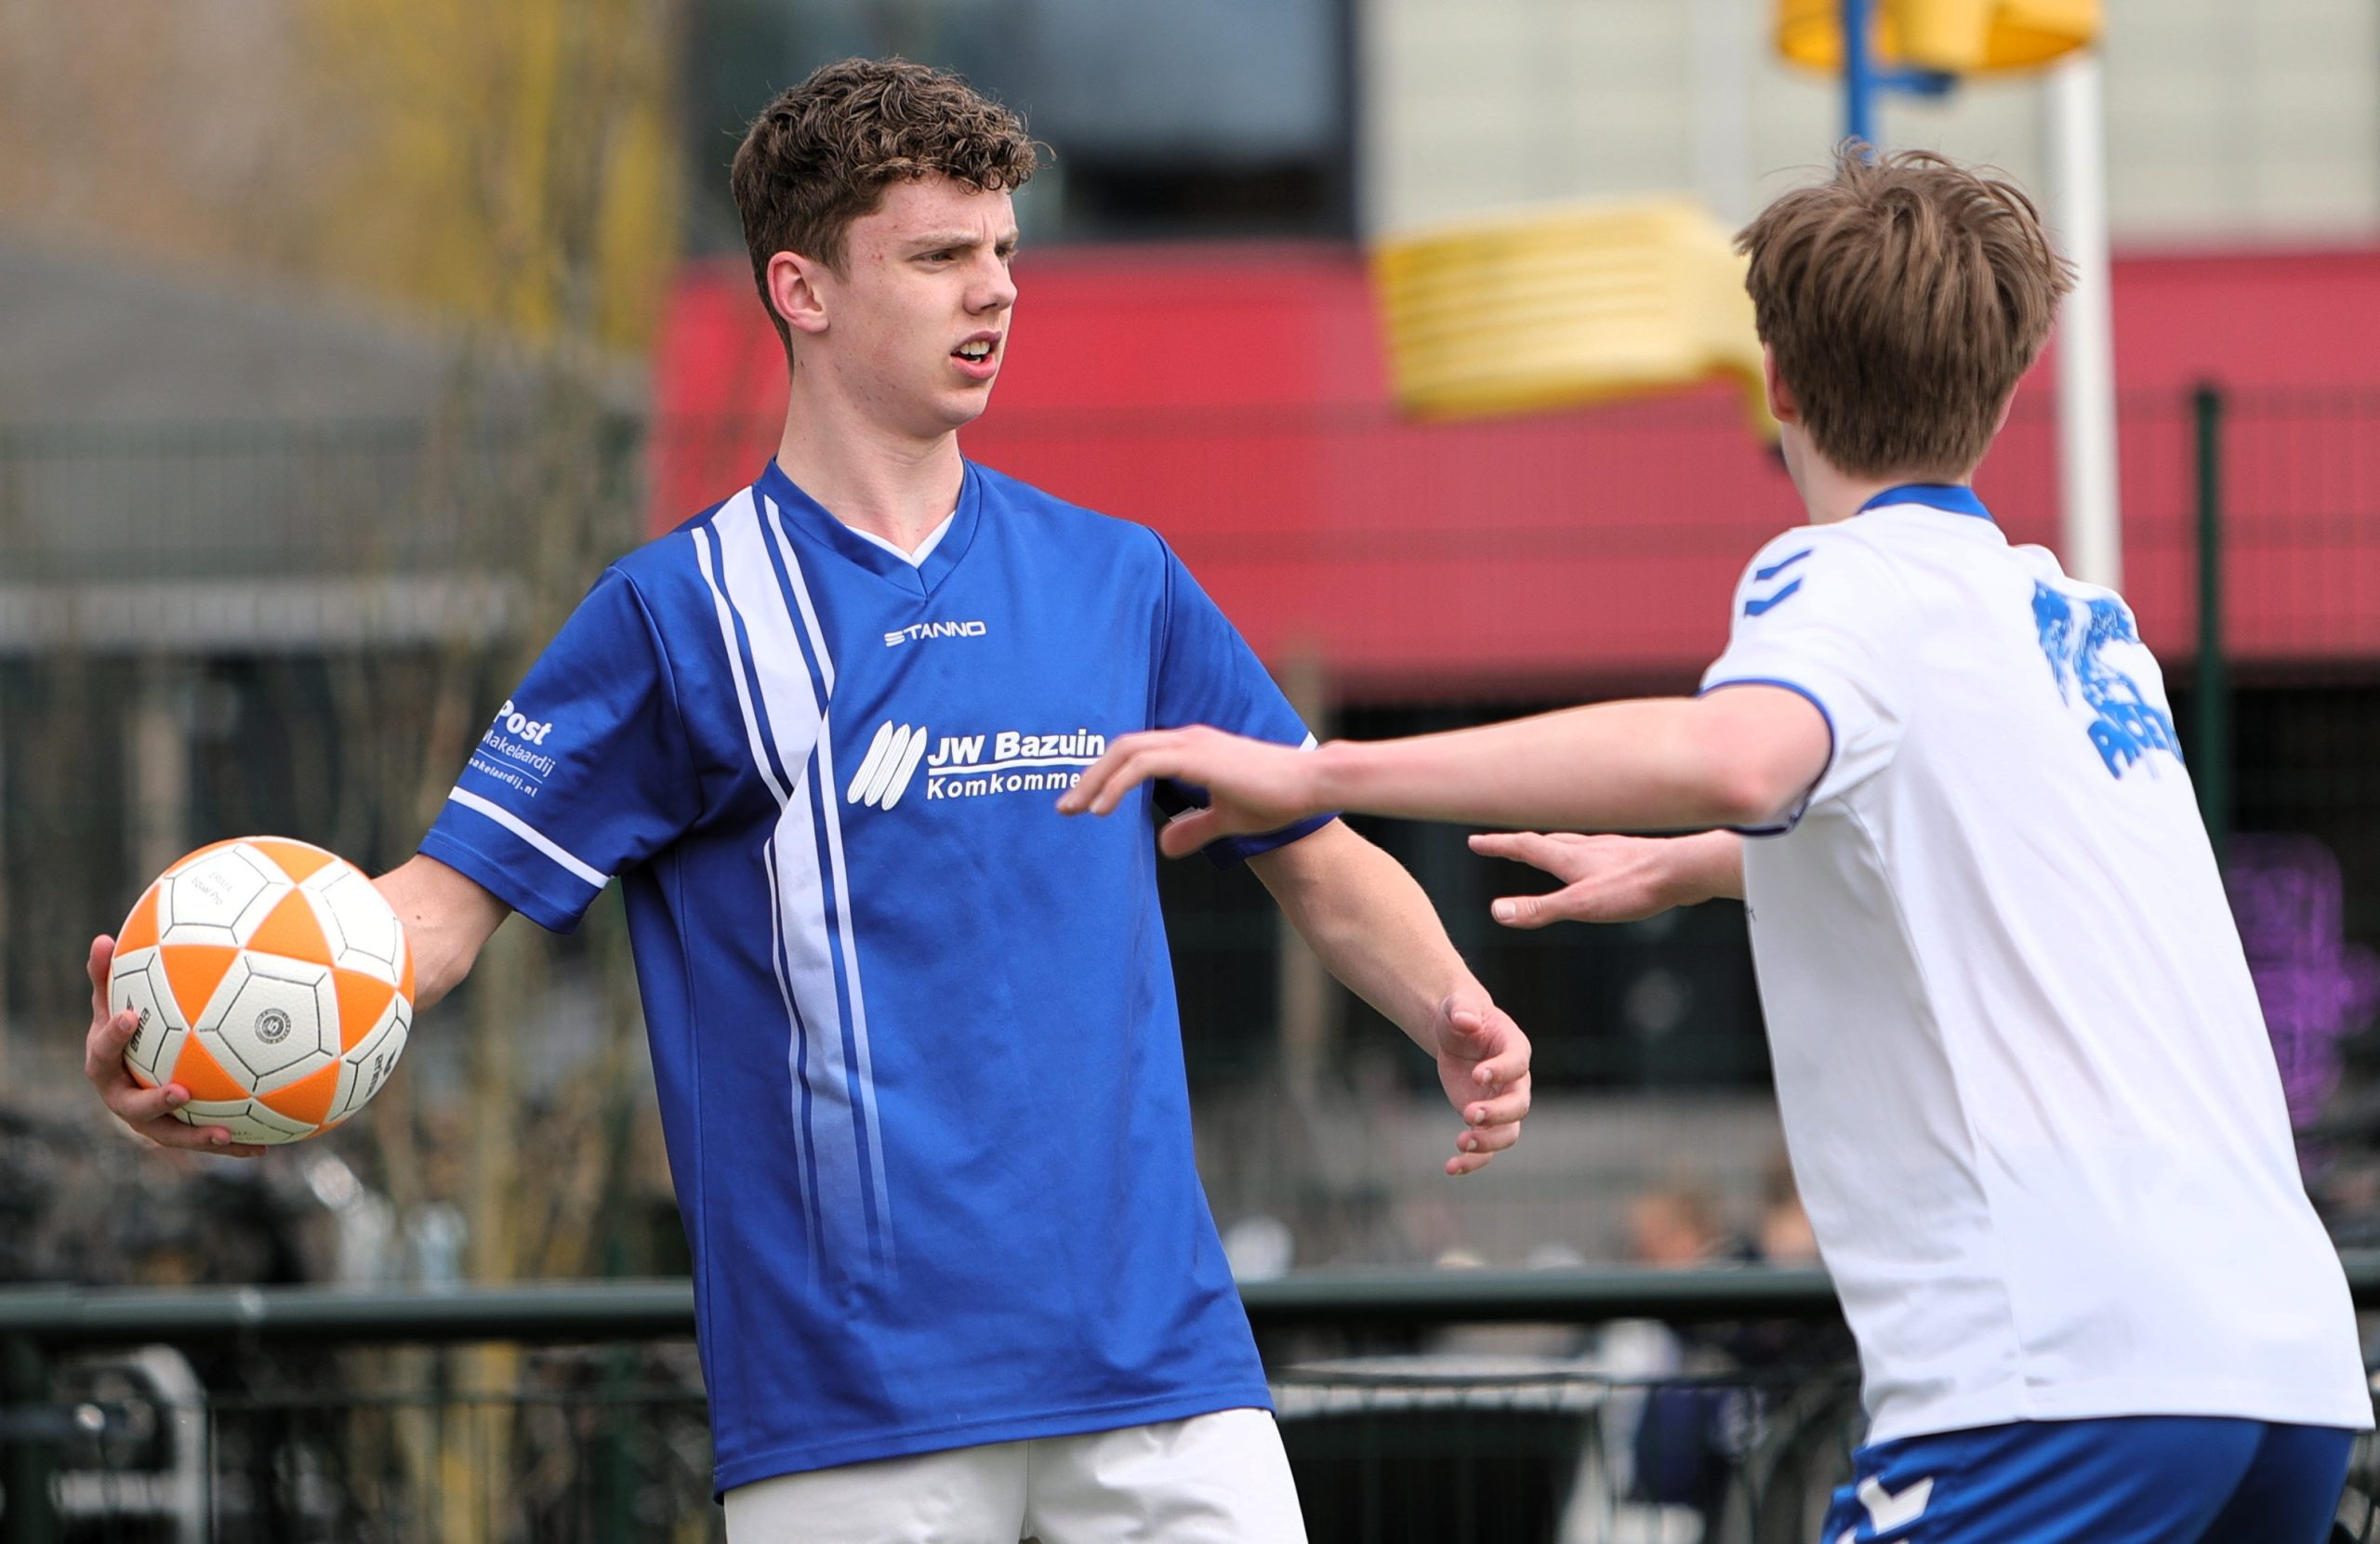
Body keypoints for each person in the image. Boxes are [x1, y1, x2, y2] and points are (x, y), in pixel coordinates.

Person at [81, 58, 1534, 1543]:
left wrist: (1449, 1004)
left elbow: (1314, 849)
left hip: (1162, 1378)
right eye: (940, 255)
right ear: (804, 288)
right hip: (852, 1412)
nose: (995, 290)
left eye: (1004, 250)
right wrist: (224, 1043)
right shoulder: (677, 615)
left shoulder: (1122, 580)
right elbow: (433, 917)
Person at [1061, 146, 2371, 1542]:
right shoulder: (2081, 625)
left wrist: (1321, 767)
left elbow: (1738, 755)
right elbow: (1982, 855)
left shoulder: (1844, 575)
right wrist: (1704, 861)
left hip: (2063, 1372)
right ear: (2008, 385)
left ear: (1779, 383)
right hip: (2283, 1368)